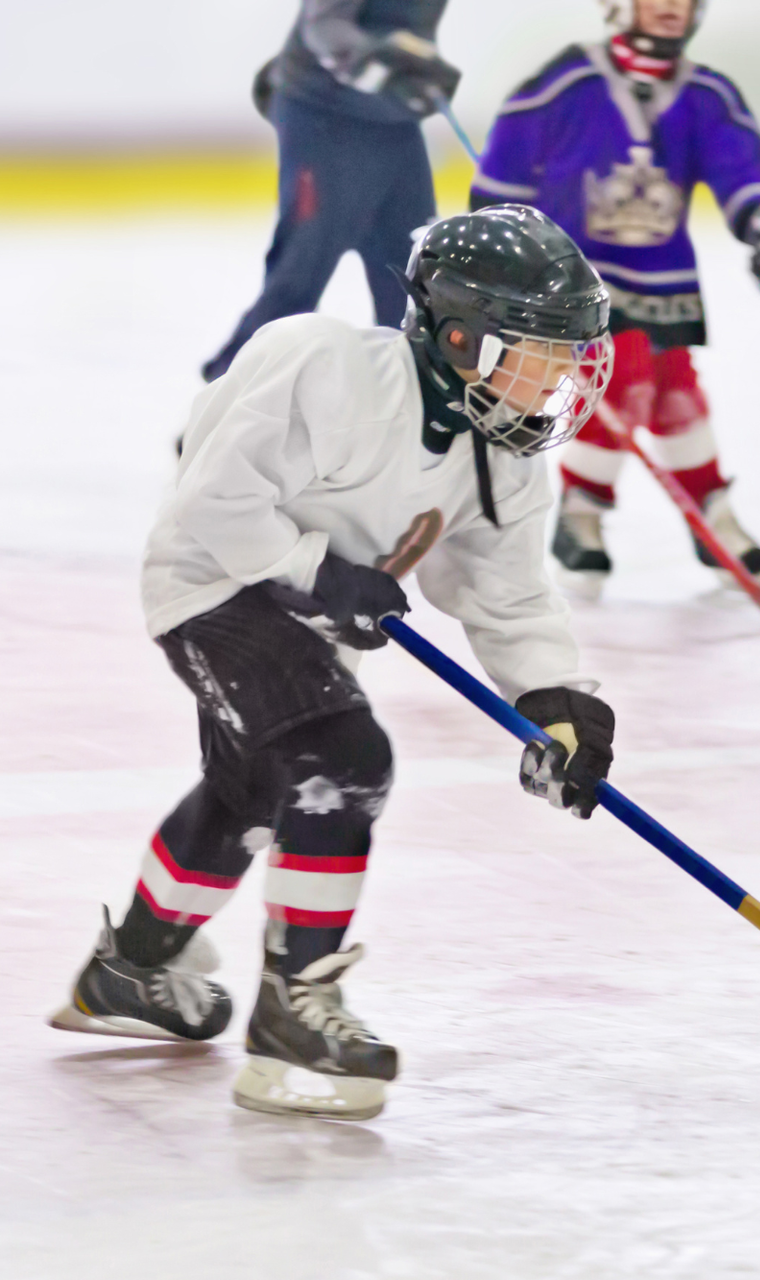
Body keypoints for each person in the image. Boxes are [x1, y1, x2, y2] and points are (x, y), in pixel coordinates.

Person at [50, 206, 620, 1123]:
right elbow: (215, 499)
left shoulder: (501, 455)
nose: (560, 379)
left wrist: (555, 699)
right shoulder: (325, 365)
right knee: (339, 762)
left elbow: (506, 596)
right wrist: (318, 569)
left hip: (303, 618)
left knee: (249, 788)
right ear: (461, 335)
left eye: (570, 355)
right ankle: (293, 1009)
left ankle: (133, 971)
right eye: (539, 351)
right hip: (214, 582)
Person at [470, 0, 760, 592]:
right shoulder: (568, 81)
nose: (671, 8)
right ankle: (585, 511)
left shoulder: (707, 94)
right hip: (575, 277)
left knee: (675, 389)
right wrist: (500, 248)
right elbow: (502, 175)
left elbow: (744, 174)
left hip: (664, 278)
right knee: (623, 379)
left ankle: (709, 510)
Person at [200, 0, 462, 383]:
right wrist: (376, 64)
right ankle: (229, 396)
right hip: (324, 116)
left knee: (413, 276)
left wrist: (417, 70)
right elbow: (325, 26)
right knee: (302, 269)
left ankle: (412, 405)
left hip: (390, 120)